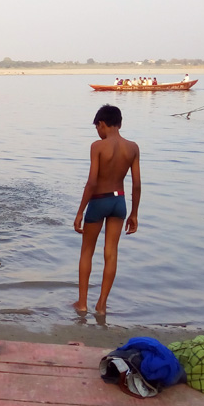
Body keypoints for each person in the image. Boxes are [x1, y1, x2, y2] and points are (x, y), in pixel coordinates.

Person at [73, 105, 141, 315]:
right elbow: (137, 184)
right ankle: (101, 306)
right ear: (119, 123)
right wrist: (134, 213)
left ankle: (82, 304)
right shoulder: (133, 147)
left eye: (97, 127)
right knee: (111, 254)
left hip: (99, 200)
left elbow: (92, 182)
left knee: (87, 252)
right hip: (119, 202)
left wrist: (80, 211)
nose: (98, 132)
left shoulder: (98, 146)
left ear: (102, 124)